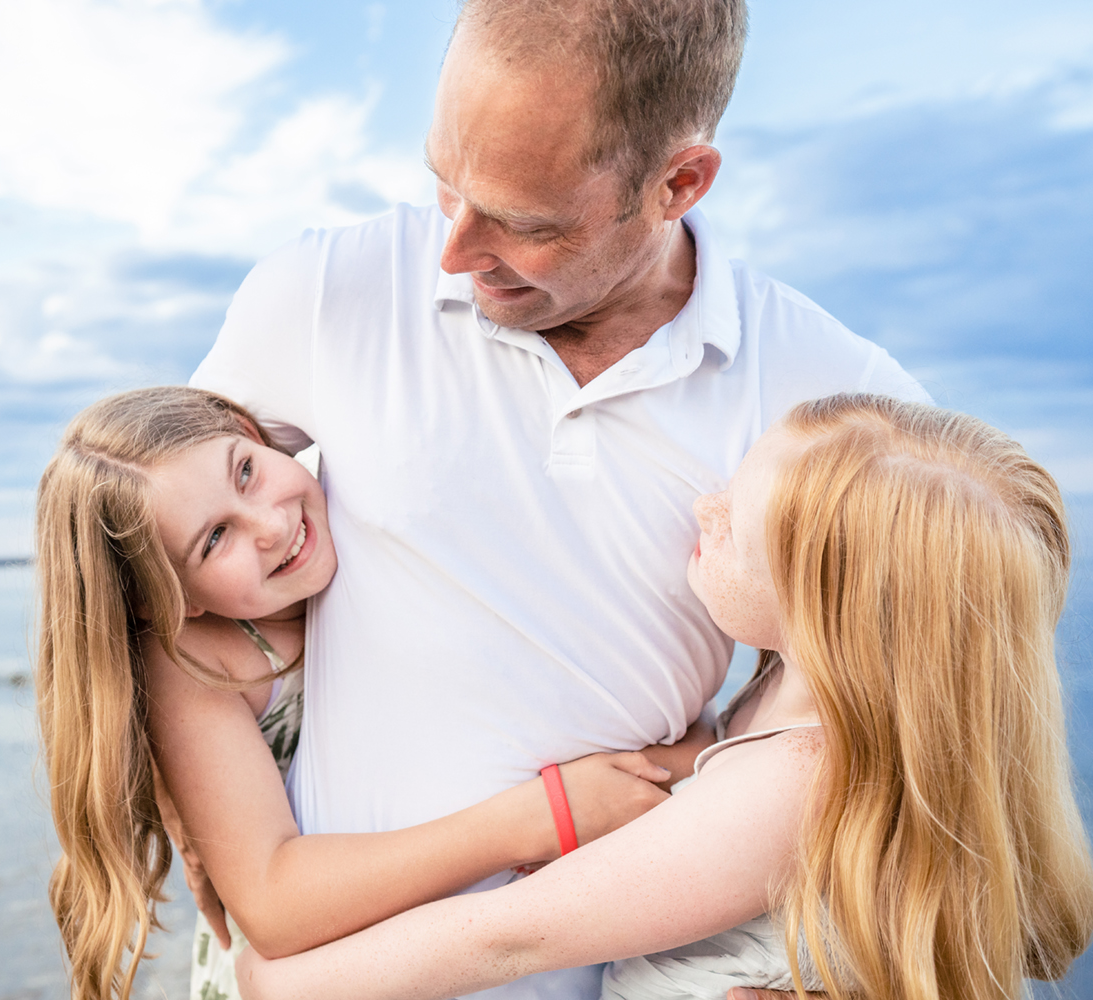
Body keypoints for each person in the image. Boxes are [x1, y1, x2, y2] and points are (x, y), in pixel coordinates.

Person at [190, 2, 929, 996]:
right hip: (320, 961)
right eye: (443, 181)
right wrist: (200, 794)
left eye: (524, 222)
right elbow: (142, 550)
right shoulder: (326, 290)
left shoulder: (834, 391)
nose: (451, 249)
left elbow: (939, 689)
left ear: (679, 183)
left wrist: (820, 950)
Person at [236, 393, 1093, 1000]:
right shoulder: (796, 706)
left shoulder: (793, 778)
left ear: (823, 607)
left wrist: (281, 979)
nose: (703, 508)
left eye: (733, 525)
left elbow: (516, 934)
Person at [34, 386, 695, 1000]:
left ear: (251, 432)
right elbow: (273, 901)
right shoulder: (200, 662)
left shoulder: (368, 501)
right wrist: (536, 820)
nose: (267, 525)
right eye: (214, 539)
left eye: (245, 472)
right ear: (166, 603)